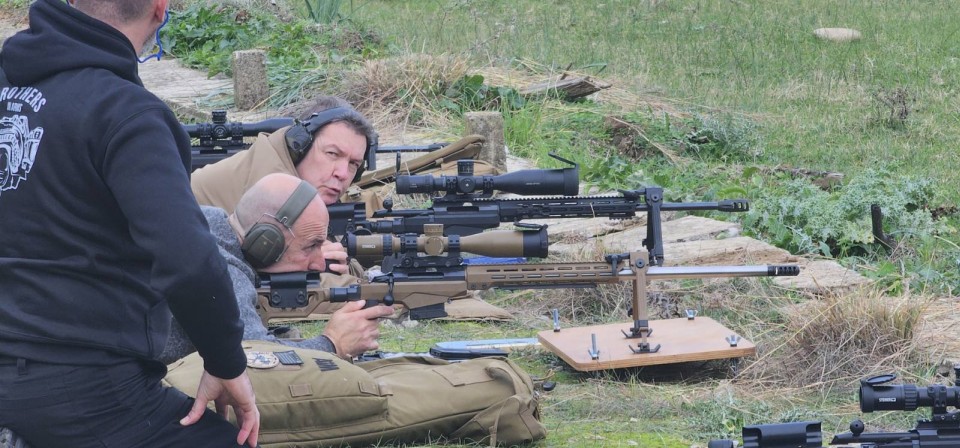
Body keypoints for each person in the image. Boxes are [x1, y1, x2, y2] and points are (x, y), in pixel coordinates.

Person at [0, 0, 259, 447]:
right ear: (160, 8)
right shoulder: (126, 111)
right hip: (84, 385)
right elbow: (188, 261)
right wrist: (225, 362)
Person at [160, 173, 395, 365]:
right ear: (266, 242)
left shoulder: (204, 222)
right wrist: (332, 343)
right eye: (311, 246)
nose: (319, 263)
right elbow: (254, 360)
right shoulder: (222, 273)